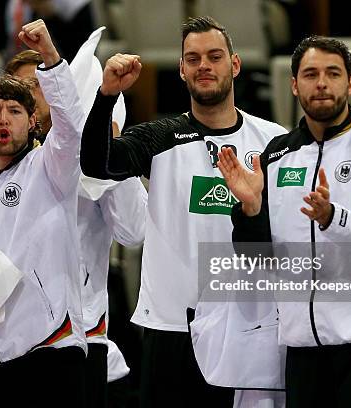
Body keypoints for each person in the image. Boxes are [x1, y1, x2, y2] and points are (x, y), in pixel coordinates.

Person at [80, 16, 287, 407]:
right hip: (172, 323)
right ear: (181, 70)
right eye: (192, 59)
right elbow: (96, 164)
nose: (203, 65)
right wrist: (106, 94)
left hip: (248, 324)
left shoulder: (274, 141)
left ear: (235, 64)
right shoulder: (161, 136)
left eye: (214, 56)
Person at [220, 36, 351, 408]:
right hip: (304, 348)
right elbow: (257, 256)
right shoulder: (275, 155)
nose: (321, 83)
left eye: (333, 73)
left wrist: (332, 218)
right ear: (294, 85)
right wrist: (248, 209)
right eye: (310, 74)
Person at [0, 19, 86, 406]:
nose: (4, 118)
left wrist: (50, 58)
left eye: (14, 110)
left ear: (32, 120)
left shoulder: (49, 167)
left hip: (48, 346)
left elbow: (72, 128)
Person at [5, 47, 148, 408]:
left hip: (76, 337)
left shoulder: (86, 153)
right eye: (19, 88)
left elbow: (134, 231)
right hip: (5, 344)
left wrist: (111, 148)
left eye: (36, 86)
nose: (29, 96)